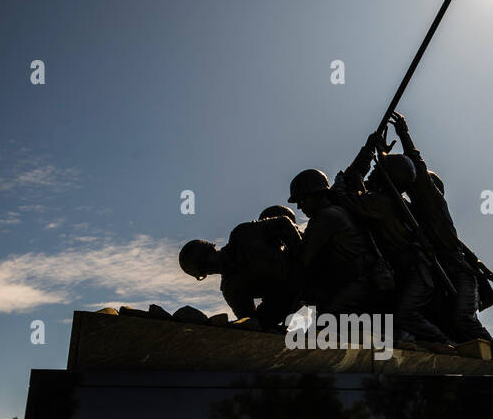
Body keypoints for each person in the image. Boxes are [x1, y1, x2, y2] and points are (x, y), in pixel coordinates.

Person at [331, 135, 456, 352]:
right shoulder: (394, 202)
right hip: (405, 272)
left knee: (405, 314)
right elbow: (361, 182)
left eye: (378, 171)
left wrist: (339, 184)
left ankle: (446, 343)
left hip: (417, 273)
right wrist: (371, 150)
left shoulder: (381, 203)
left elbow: (346, 197)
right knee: (393, 314)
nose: (374, 174)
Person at [388, 112, 493, 347]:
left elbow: (416, 164)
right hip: (440, 274)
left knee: (464, 320)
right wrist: (382, 154)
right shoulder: (414, 211)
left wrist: (404, 135)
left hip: (460, 273)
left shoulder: (435, 205)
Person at [288, 168, 388, 315]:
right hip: (354, 280)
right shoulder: (338, 210)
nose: (299, 207)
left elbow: (303, 260)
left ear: (316, 195)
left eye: (302, 200)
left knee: (326, 320)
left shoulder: (324, 217)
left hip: (361, 282)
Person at [178, 213, 301, 331]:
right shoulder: (231, 289)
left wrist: (302, 258)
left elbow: (283, 223)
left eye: (206, 261)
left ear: (211, 249)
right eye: (204, 269)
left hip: (309, 266)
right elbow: (250, 322)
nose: (210, 268)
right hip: (293, 295)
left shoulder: (242, 235)